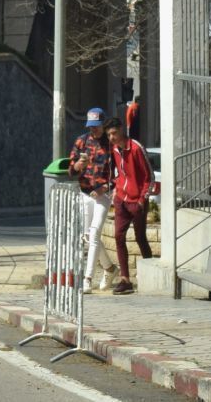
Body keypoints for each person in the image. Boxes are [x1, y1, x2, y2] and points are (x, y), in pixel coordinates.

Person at [69, 106, 115, 294]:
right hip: (85, 193)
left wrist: (106, 187)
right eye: (91, 126)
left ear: (103, 125)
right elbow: (70, 170)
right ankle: (110, 269)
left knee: (94, 234)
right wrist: (78, 165)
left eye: (96, 126)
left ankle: (87, 278)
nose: (93, 130)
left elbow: (118, 173)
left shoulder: (111, 144)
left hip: (102, 196)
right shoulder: (81, 141)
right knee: (88, 237)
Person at [106, 117, 154, 294]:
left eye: (114, 133)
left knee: (140, 237)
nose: (111, 137)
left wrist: (142, 199)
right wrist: (116, 188)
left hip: (137, 201)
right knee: (119, 236)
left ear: (121, 130)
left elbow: (149, 177)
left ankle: (150, 271)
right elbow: (118, 172)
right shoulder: (115, 149)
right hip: (121, 199)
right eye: (109, 134)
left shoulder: (136, 148)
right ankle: (125, 279)